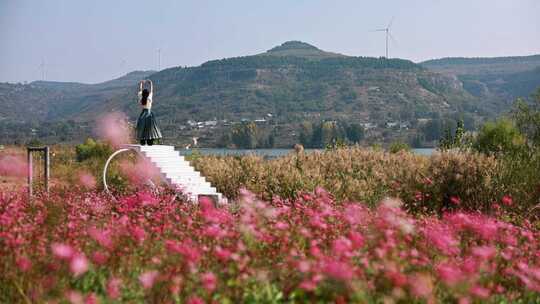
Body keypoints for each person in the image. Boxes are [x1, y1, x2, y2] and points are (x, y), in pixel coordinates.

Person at [136, 79, 162, 145]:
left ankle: (142, 141)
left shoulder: (141, 98)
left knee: (142, 127)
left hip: (143, 114)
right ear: (148, 94)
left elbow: (140, 90)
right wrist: (151, 83)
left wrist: (141, 83)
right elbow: (151, 90)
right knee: (150, 128)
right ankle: (150, 141)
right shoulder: (149, 98)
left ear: (142, 94)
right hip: (149, 114)